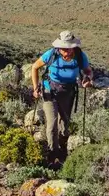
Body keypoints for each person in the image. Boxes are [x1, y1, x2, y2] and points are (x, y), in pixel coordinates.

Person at [31, 31, 93, 165]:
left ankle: (62, 147)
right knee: (52, 124)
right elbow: (35, 67)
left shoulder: (80, 56)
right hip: (50, 91)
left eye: (70, 48)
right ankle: (53, 153)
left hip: (68, 92)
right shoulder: (51, 54)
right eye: (65, 49)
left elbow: (87, 70)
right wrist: (35, 88)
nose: (68, 52)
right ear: (59, 48)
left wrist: (88, 78)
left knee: (64, 126)